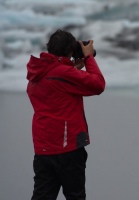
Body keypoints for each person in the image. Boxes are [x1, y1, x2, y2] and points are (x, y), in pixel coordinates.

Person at [26, 29, 106, 200]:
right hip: (67, 147)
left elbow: (55, 86)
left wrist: (73, 68)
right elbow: (98, 85)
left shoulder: (36, 73)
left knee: (42, 195)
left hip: (43, 147)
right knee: (75, 196)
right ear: (70, 51)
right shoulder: (63, 74)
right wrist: (89, 57)